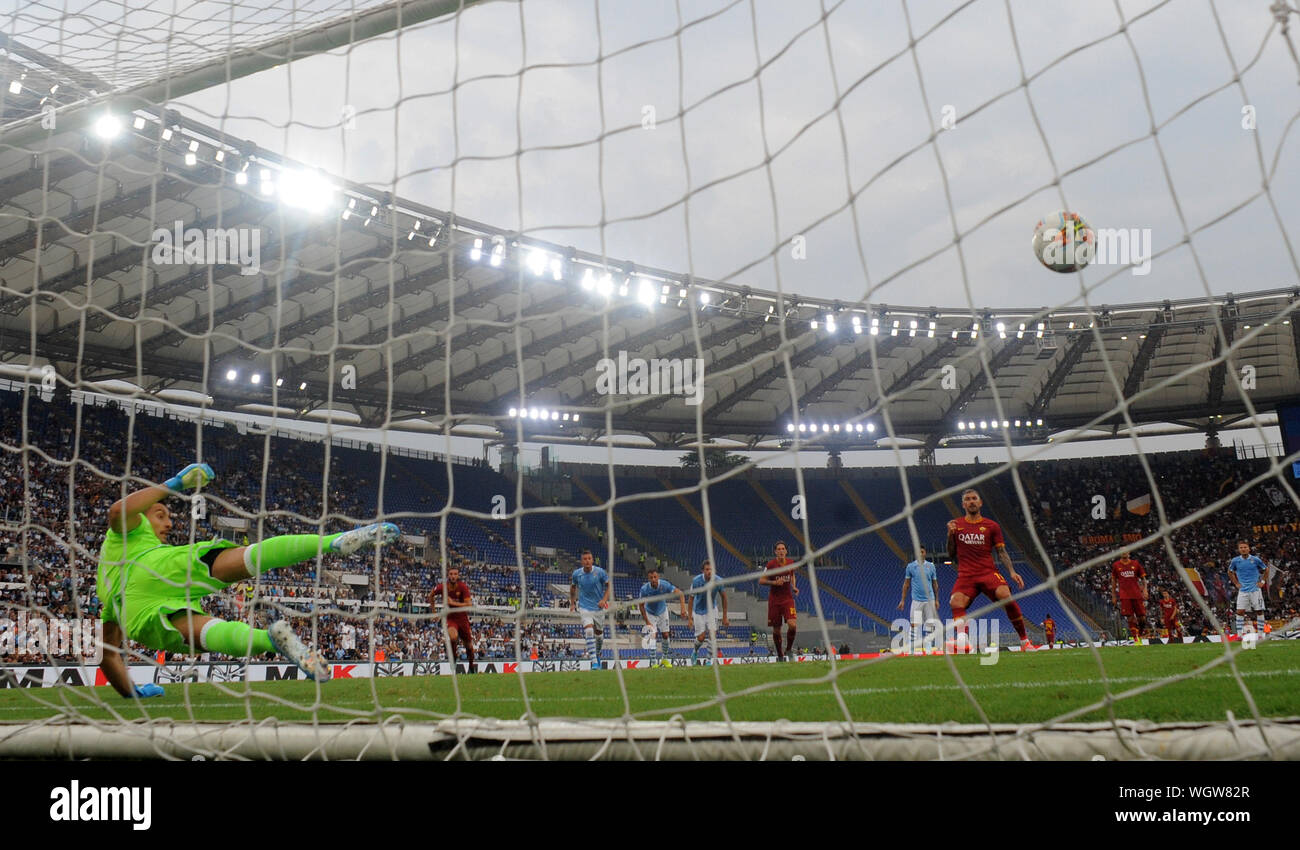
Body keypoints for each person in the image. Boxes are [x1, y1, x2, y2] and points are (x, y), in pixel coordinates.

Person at [96, 462, 398, 696]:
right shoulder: (130, 532)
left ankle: (272, 641)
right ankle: (333, 541)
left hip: (134, 612)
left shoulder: (106, 588)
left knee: (211, 633)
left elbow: (109, 655)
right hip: (155, 567)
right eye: (160, 514)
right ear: (143, 516)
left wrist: (132, 693)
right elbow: (118, 509)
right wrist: (176, 484)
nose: (169, 521)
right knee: (247, 558)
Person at [945, 489, 1031, 651]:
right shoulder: (956, 525)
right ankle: (963, 640)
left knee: (1005, 595)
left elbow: (1001, 551)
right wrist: (950, 535)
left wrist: (1012, 571)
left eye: (974, 498)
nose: (971, 501)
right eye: (968, 499)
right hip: (966, 575)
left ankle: (1024, 641)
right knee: (955, 601)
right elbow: (951, 553)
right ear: (963, 504)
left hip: (987, 572)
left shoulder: (992, 526)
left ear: (980, 502)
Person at [637, 568, 688, 667]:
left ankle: (664, 659)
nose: (653, 579)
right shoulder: (644, 589)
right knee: (653, 635)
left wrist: (683, 608)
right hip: (650, 612)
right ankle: (653, 662)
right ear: (648, 578)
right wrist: (647, 621)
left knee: (665, 635)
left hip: (662, 611)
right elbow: (641, 605)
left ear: (658, 577)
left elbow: (680, 593)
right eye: (651, 577)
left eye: (655, 577)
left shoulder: (664, 585)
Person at [569, 549, 610, 669]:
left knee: (599, 635)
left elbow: (609, 586)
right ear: (581, 561)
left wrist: (604, 600)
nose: (587, 561)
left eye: (589, 559)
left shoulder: (600, 572)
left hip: (598, 608)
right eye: (585, 559)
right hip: (584, 607)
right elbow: (572, 588)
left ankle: (597, 654)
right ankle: (594, 661)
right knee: (588, 631)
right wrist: (572, 603)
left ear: (592, 560)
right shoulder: (577, 574)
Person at [759, 540, 798, 661]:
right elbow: (761, 581)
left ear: (786, 551)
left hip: (787, 599)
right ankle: (780, 655)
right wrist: (774, 582)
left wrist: (794, 586)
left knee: (792, 625)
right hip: (774, 601)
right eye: (779, 549)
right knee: (776, 630)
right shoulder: (771, 565)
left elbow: (792, 575)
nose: (781, 551)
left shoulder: (791, 563)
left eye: (783, 549)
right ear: (775, 552)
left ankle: (789, 649)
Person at [431, 565, 475, 671]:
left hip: (462, 618)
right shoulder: (442, 587)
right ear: (448, 575)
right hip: (450, 618)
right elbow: (431, 595)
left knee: (469, 646)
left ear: (458, 575)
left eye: (455, 574)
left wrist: (453, 603)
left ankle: (471, 666)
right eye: (451, 574)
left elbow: (469, 604)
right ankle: (454, 658)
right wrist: (434, 612)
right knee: (453, 637)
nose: (453, 576)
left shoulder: (463, 587)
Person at [897, 544, 939, 654]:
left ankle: (928, 648)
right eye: (918, 552)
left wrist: (937, 599)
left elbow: (935, 584)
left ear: (925, 553)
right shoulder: (911, 567)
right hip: (916, 600)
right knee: (914, 625)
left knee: (929, 624)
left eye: (922, 552)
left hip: (930, 600)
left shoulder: (931, 566)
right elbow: (906, 584)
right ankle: (911, 648)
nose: (920, 554)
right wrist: (903, 600)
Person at [689, 559, 729, 663]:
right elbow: (691, 599)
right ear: (703, 571)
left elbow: (724, 598)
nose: (709, 572)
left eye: (711, 569)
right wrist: (690, 618)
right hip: (698, 611)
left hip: (711, 610)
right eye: (707, 569)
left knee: (712, 634)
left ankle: (708, 660)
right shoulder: (696, 581)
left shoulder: (718, 580)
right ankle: (695, 651)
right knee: (701, 638)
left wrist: (725, 616)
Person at [1227, 540, 1268, 639]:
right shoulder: (1235, 561)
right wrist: (1236, 583)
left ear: (1249, 549)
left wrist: (1262, 582)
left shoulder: (1255, 559)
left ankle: (1260, 634)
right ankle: (1240, 635)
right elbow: (1230, 572)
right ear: (1239, 549)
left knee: (1259, 611)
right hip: (1243, 591)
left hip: (1255, 590)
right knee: (1240, 612)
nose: (1243, 549)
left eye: (1245, 547)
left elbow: (1266, 569)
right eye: (1241, 548)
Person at [1110, 550, 1148, 641]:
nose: (1124, 552)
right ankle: (1136, 638)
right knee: (1130, 617)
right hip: (1124, 595)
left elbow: (1143, 578)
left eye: (1125, 551)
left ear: (1129, 553)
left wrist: (1145, 589)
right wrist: (1114, 596)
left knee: (1142, 618)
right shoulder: (1116, 565)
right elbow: (1114, 581)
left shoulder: (1135, 564)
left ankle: (1140, 633)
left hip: (1137, 594)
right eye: (1122, 551)